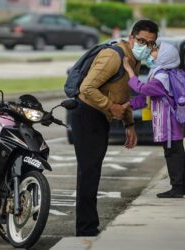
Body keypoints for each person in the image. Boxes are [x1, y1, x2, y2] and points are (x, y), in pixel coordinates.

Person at [72, 20, 159, 236]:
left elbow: (124, 95)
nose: (145, 46)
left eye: (151, 44)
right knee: (89, 173)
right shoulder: (114, 56)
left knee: (93, 171)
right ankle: (86, 229)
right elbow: (86, 88)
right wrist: (111, 106)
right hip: (87, 114)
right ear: (131, 38)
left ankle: (88, 225)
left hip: (100, 117)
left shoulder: (134, 60)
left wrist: (129, 124)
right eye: (141, 41)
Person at [123, 41, 185, 198]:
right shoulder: (162, 73)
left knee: (172, 152)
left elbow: (143, 89)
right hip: (172, 121)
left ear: (164, 56)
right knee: (177, 150)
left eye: (155, 50)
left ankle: (177, 188)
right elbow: (146, 97)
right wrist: (129, 105)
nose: (151, 52)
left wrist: (130, 72)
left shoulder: (162, 76)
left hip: (169, 122)